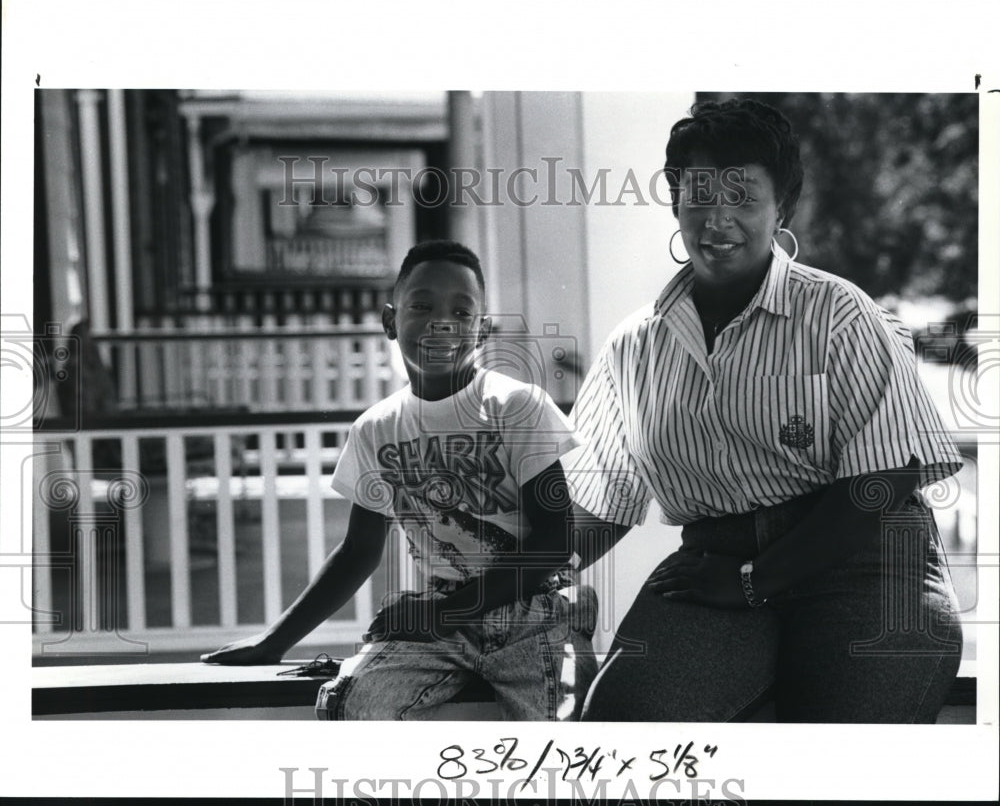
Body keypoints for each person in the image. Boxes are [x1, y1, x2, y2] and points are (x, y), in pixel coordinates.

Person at [568, 99, 964, 723]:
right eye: (698, 194)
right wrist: (502, 579)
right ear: (675, 200)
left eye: (743, 196)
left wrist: (757, 577)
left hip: (864, 569)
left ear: (783, 206)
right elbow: (599, 499)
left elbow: (882, 481)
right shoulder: (635, 346)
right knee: (623, 736)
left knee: (843, 763)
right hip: (710, 569)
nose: (717, 219)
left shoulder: (840, 314)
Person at [202, 240, 597, 721]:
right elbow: (358, 550)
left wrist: (443, 616)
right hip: (444, 618)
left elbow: (556, 541)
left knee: (556, 748)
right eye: (422, 306)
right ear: (391, 320)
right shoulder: (377, 428)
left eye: (461, 311)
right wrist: (275, 641)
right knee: (351, 704)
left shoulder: (517, 407)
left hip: (536, 615)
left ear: (482, 330)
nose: (441, 322)